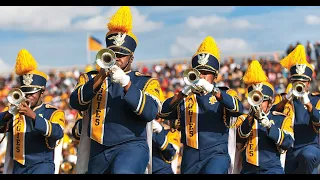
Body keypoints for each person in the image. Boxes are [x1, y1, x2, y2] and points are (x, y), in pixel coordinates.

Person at [69, 6, 162, 174]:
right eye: (112, 53)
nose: (116, 58)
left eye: (122, 55)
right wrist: (100, 77)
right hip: (98, 149)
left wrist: (127, 83)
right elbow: (76, 102)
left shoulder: (146, 81)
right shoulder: (91, 78)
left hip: (131, 146)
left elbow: (150, 112)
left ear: (131, 58)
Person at [159, 36, 244, 174]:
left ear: (215, 76)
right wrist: (183, 93)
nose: (202, 77)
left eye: (206, 73)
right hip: (190, 157)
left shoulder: (224, 94)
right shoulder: (185, 97)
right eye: (199, 73)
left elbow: (238, 108)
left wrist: (213, 90)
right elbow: (162, 111)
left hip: (216, 155)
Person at [0, 49, 65, 174]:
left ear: (42, 92)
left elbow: (58, 133)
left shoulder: (53, 113)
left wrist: (33, 116)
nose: (28, 95)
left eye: (32, 92)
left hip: (42, 165)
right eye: (25, 92)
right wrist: (8, 114)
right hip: (18, 166)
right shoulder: (13, 110)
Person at [235, 60, 294, 174]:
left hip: (272, 169)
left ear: (270, 103)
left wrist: (269, 126)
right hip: (248, 170)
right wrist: (251, 118)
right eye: (256, 99)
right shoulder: (243, 119)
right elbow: (239, 140)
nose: (258, 104)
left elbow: (287, 143)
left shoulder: (281, 119)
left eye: (262, 101)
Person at [272, 45, 320, 174]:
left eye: (303, 81)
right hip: (288, 150)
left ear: (309, 83)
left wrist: (308, 104)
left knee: (307, 156)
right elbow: (271, 112)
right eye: (296, 80)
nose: (299, 84)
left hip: (309, 147)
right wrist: (286, 99)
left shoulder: (316, 100)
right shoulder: (283, 99)